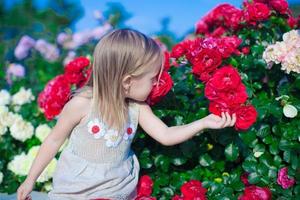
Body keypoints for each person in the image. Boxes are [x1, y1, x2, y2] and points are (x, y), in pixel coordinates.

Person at [17, 28, 236, 200]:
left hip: (116, 190)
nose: (157, 83)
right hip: (76, 192)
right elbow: (54, 140)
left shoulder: (136, 107)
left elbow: (166, 135)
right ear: (127, 81)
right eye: (153, 78)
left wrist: (204, 122)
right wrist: (30, 180)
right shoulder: (82, 105)